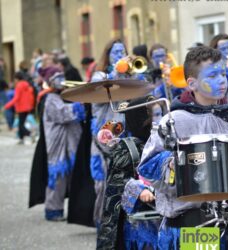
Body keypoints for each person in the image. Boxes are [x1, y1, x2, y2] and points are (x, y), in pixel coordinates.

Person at [138, 46, 228, 249]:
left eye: (222, 73)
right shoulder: (174, 121)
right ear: (191, 83)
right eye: (212, 75)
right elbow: (148, 166)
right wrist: (178, 166)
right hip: (191, 226)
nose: (221, 80)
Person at [97, 95, 161, 250]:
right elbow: (116, 183)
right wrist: (138, 189)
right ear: (142, 118)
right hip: (140, 224)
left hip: (168, 216)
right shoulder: (126, 148)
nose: (161, 119)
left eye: (161, 114)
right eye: (156, 115)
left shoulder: (168, 141)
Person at [90, 38, 129, 228]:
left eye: (122, 52)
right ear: (108, 55)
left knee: (126, 183)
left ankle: (122, 224)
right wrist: (115, 72)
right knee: (103, 185)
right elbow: (98, 93)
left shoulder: (129, 76)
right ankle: (102, 224)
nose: (120, 56)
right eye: (116, 52)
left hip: (126, 135)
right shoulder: (100, 75)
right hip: (104, 135)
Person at [40, 66, 85, 221]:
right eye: (57, 78)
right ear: (51, 81)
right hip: (57, 145)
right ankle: (53, 209)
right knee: (58, 175)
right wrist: (82, 105)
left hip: (70, 142)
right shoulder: (50, 99)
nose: (61, 80)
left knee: (73, 177)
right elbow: (63, 114)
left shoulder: (63, 95)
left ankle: (76, 210)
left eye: (62, 76)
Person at [3, 72, 35, 144]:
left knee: (21, 125)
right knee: (21, 124)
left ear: (17, 78)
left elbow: (16, 98)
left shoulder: (19, 86)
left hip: (21, 107)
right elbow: (31, 97)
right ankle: (21, 139)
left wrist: (7, 106)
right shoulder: (27, 85)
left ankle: (30, 134)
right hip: (27, 107)